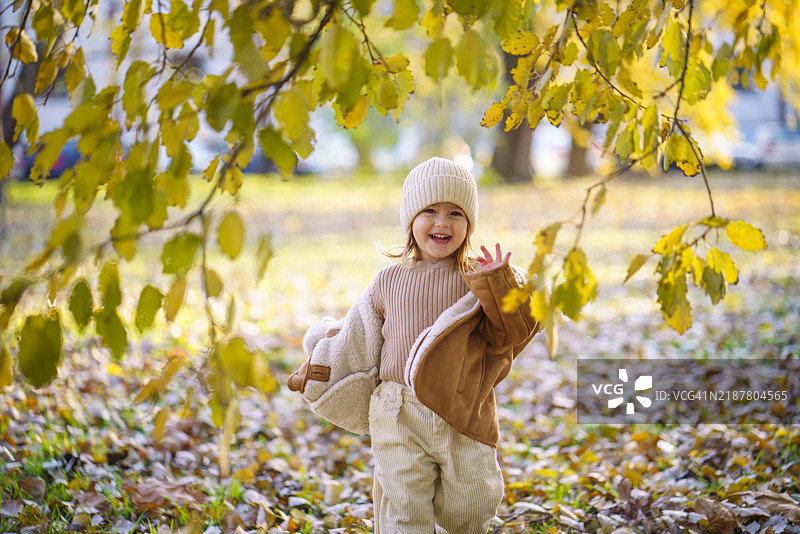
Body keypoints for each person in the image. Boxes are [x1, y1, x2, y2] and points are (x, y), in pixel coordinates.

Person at [288, 156, 539, 533]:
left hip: (462, 406)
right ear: (410, 221)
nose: (442, 222)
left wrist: (499, 284)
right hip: (397, 409)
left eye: (456, 212)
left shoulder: (476, 278)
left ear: (469, 224)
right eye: (430, 211)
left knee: (471, 506)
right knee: (404, 507)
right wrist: (320, 361)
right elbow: (357, 332)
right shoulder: (389, 280)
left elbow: (513, 332)